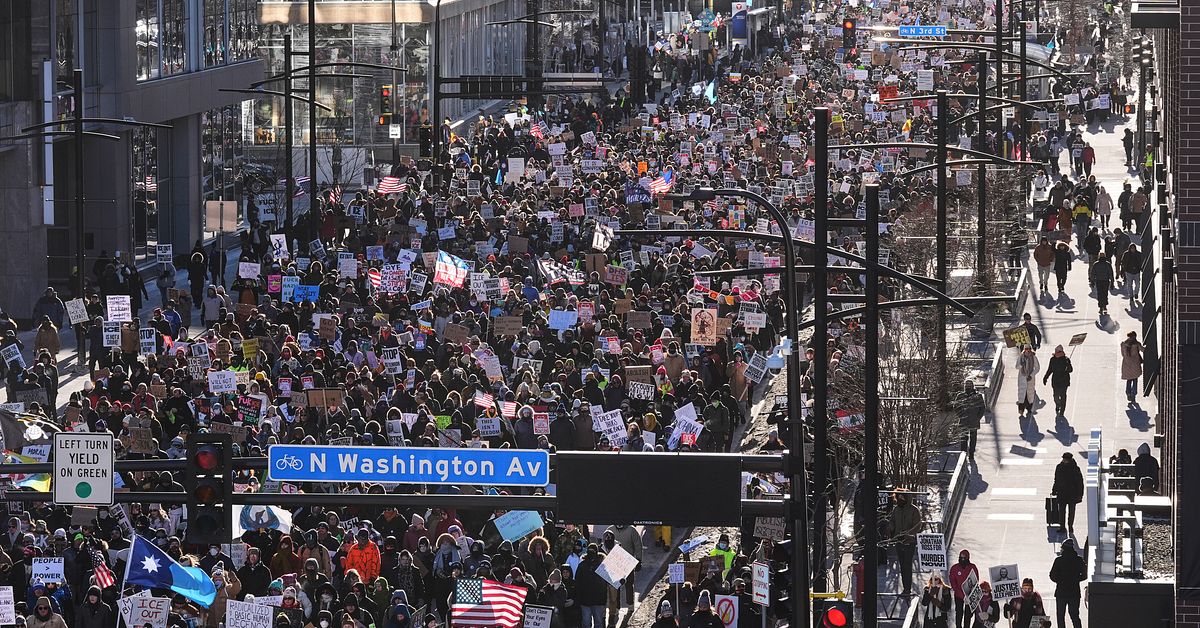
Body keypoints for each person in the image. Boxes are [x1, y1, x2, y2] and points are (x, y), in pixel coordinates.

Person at [889, 492, 922, 595]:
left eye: (902, 497)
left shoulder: (913, 510)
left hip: (909, 542)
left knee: (907, 564)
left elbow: (917, 525)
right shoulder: (896, 510)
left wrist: (908, 534)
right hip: (899, 541)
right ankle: (905, 588)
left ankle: (907, 588)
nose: (900, 500)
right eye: (898, 497)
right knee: (902, 565)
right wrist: (891, 531)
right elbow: (892, 521)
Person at [1049, 540, 1086, 628]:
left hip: (1061, 592)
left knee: (1060, 616)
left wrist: (1060, 581)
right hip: (1074, 592)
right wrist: (1076, 579)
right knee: (1074, 615)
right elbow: (1085, 574)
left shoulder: (1059, 560)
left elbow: (1052, 575)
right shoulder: (1079, 560)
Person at [1051, 453, 1084, 531]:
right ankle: (1062, 527)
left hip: (1072, 493)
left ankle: (1070, 526)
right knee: (1062, 511)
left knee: (1071, 511)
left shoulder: (1075, 468)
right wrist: (1054, 490)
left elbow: (1080, 482)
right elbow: (1056, 480)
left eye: (1065, 459)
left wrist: (1080, 494)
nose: (1064, 460)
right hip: (1062, 493)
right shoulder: (1059, 467)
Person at [947, 550, 979, 628]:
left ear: (968, 558)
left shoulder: (972, 567)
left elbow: (975, 581)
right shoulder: (954, 568)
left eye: (964, 558)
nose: (962, 559)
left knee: (968, 615)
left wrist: (970, 595)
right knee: (959, 613)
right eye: (961, 557)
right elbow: (953, 583)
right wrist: (962, 595)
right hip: (959, 595)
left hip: (969, 595)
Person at [1041, 345, 1073, 417]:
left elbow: (1071, 370)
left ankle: (1062, 411)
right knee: (1055, 396)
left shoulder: (1066, 360)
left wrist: (1067, 367)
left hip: (1064, 381)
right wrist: (1045, 377)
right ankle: (1058, 404)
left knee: (1063, 396)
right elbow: (1050, 369)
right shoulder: (1052, 359)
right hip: (1055, 381)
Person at [956, 381, 985, 459]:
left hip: (974, 420)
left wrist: (978, 417)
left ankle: (971, 453)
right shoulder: (960, 396)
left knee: (973, 438)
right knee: (963, 438)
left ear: (973, 386)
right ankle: (963, 454)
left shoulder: (978, 396)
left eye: (969, 385)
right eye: (966, 385)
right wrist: (961, 416)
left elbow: (982, 408)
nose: (968, 386)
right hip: (964, 420)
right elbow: (956, 407)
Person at [1016, 345, 1040, 417]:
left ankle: (1029, 408)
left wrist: (1031, 375)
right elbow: (1017, 367)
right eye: (1026, 349)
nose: (1028, 350)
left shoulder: (1033, 357)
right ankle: (1021, 409)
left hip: (1030, 378)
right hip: (1022, 378)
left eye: (1029, 349)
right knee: (1022, 394)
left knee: (1030, 393)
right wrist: (1021, 364)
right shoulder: (1021, 357)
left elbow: (1037, 368)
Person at [1121, 331, 1144, 402]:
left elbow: (1123, 354)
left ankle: (1128, 392)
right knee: (1135, 380)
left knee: (1129, 380)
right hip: (1135, 364)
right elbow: (1143, 350)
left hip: (1126, 364)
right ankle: (1133, 394)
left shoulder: (1123, 345)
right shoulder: (1137, 344)